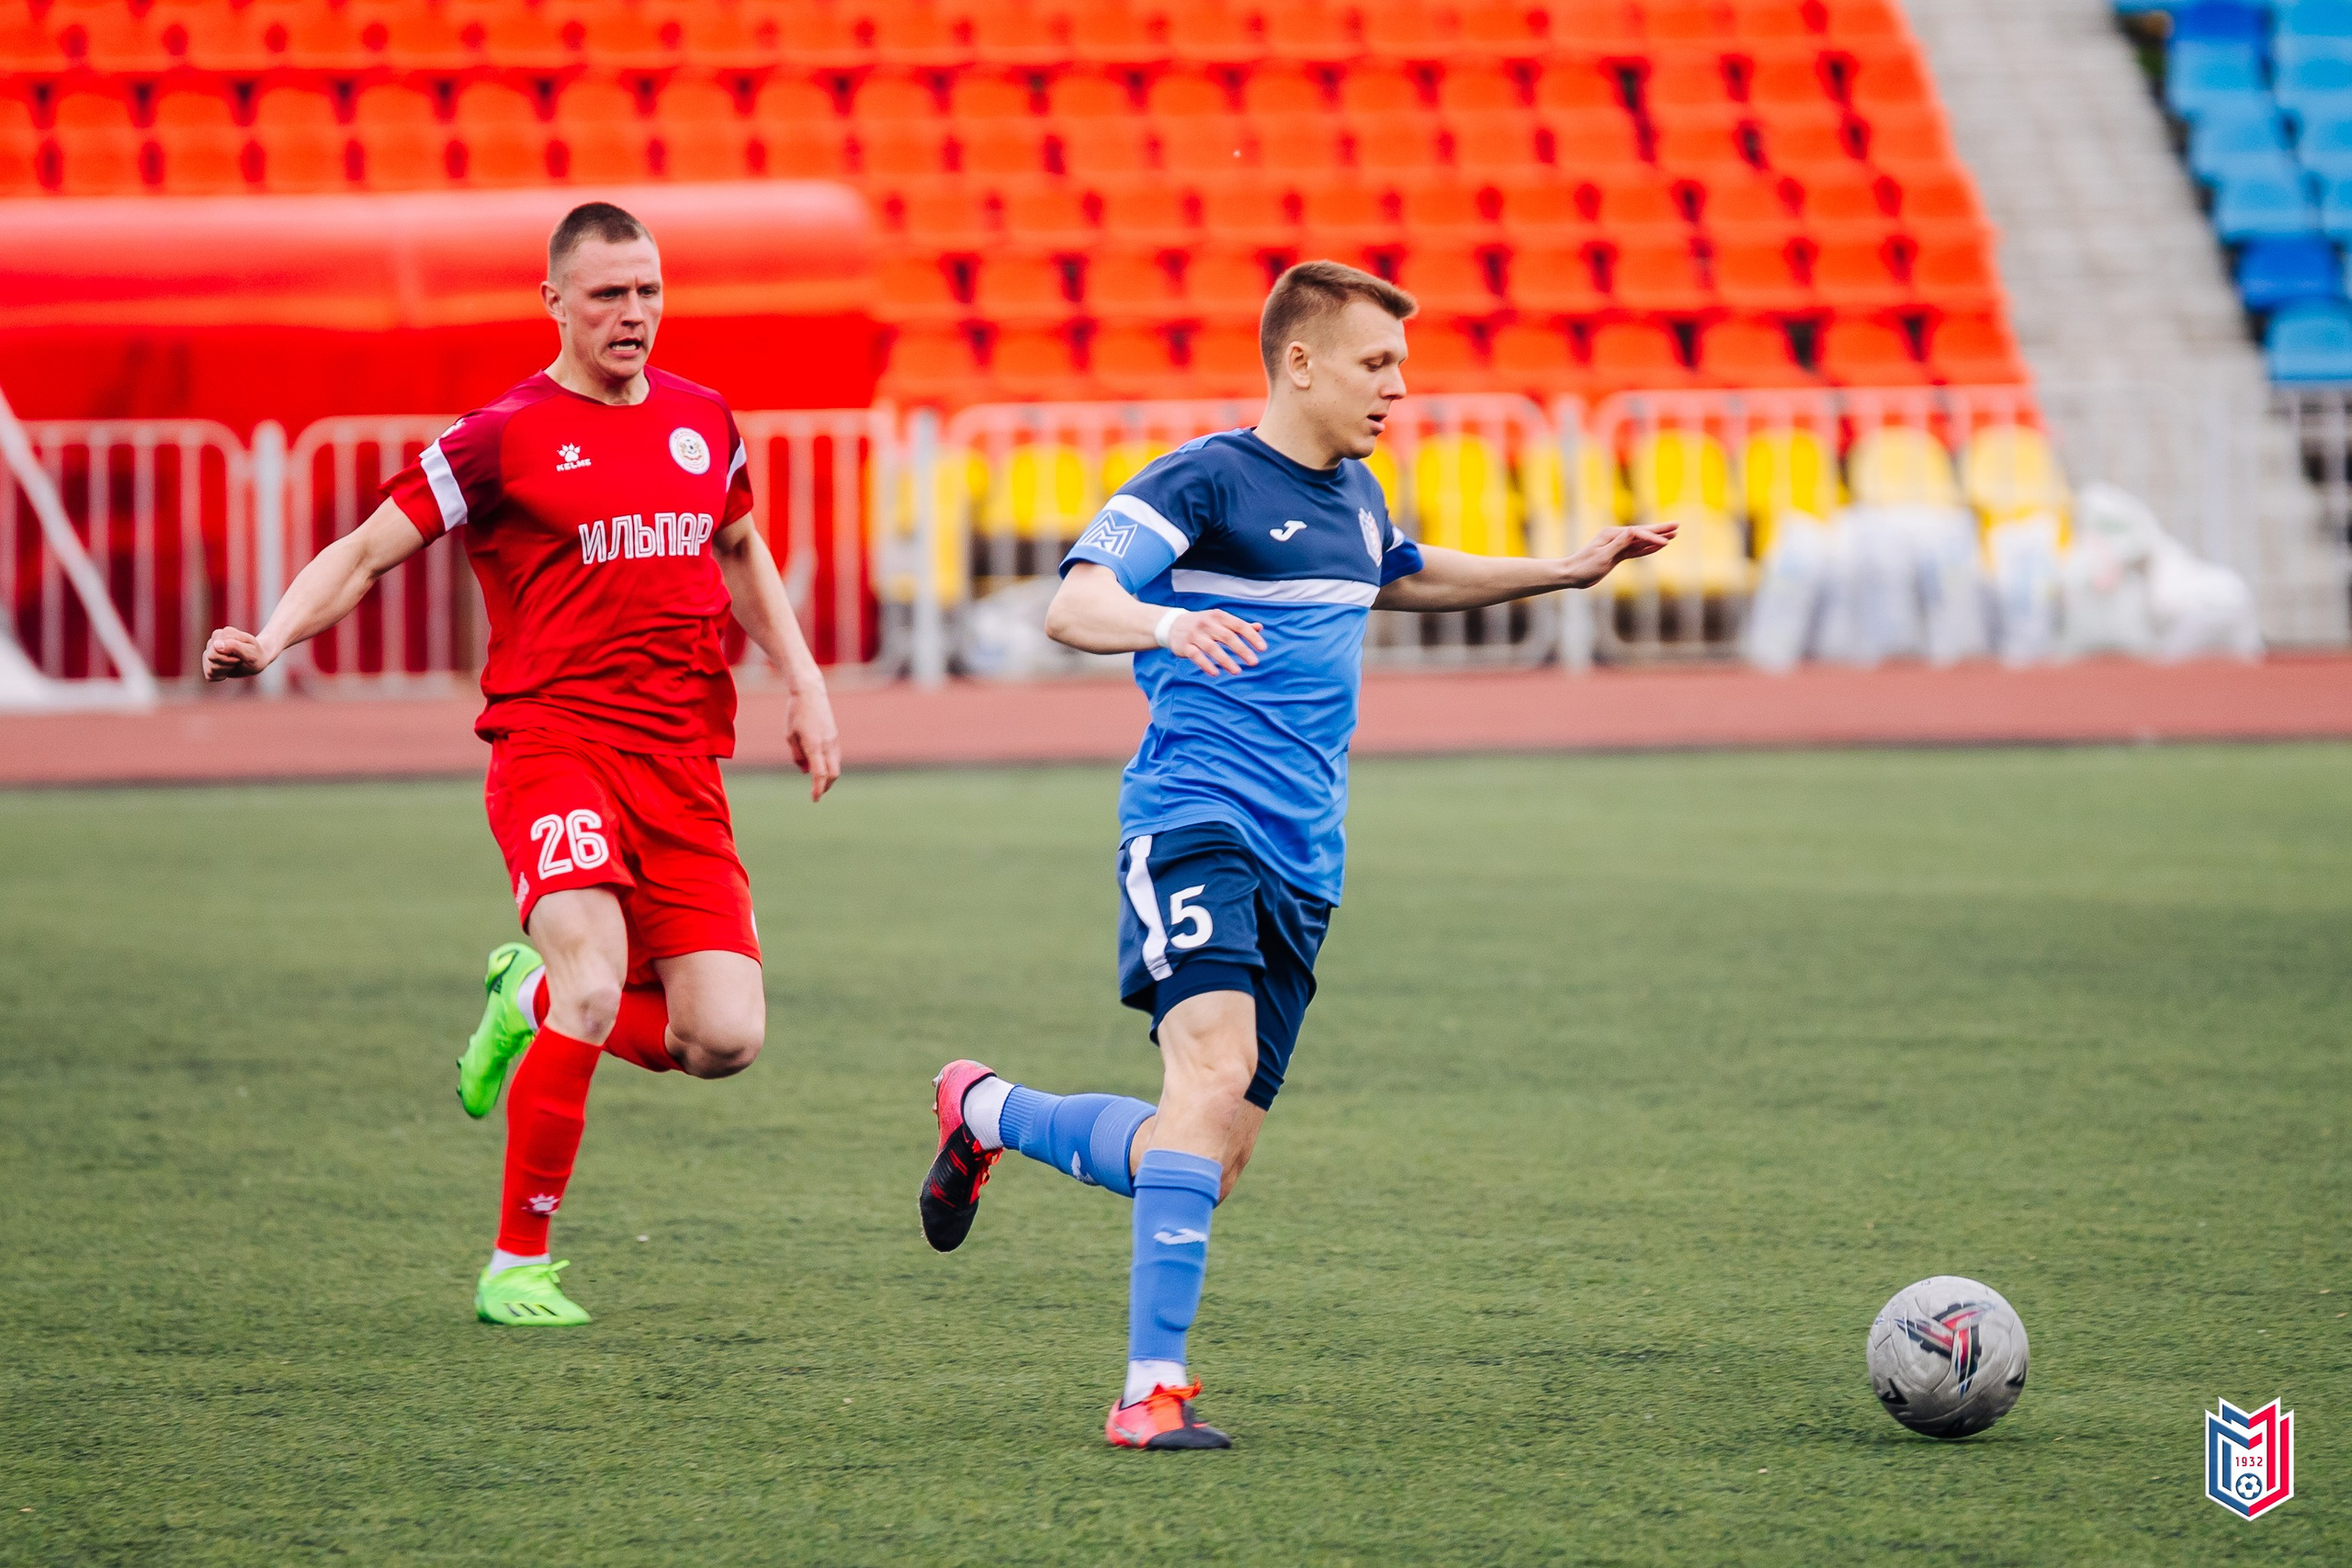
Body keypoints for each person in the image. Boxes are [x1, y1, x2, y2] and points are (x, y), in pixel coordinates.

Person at [917, 260, 1675, 1448]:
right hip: (1193, 822)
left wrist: (1566, 568)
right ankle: (1146, 1391)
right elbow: (1074, 602)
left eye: (1403, 367)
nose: (1400, 389)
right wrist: (1167, 619)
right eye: (1379, 364)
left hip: (1304, 862)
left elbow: (1406, 573)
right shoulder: (1204, 479)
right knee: (1208, 1083)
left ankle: (990, 1110)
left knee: (1205, 1157)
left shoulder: (1356, 499)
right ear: (1301, 362)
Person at [204, 201, 840, 1327]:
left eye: (647, 289)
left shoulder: (704, 420)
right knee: (600, 983)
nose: (633, 313)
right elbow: (363, 552)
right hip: (555, 748)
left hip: (683, 763)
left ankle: (524, 995)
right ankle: (517, 1263)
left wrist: (804, 679)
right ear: (554, 303)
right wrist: (270, 635)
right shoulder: (501, 435)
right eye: (607, 294)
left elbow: (738, 543)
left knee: (723, 1038)